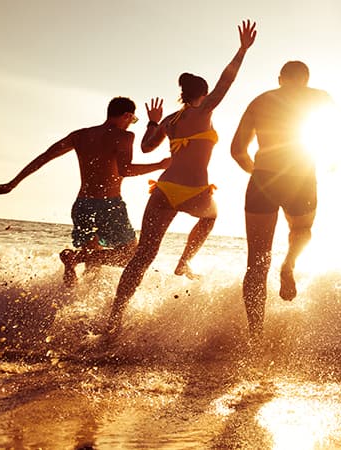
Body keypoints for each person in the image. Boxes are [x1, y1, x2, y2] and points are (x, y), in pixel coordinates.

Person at [107, 20, 256, 334]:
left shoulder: (171, 121)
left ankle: (115, 315)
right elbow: (225, 83)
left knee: (144, 255)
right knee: (211, 217)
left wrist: (151, 122)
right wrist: (241, 50)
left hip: (164, 190)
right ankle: (184, 260)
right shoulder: (203, 112)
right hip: (194, 190)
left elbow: (147, 148)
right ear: (202, 94)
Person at [0, 97, 170, 286]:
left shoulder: (80, 135)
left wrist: (13, 183)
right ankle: (74, 258)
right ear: (127, 115)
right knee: (130, 256)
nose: (131, 125)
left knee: (93, 263)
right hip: (108, 206)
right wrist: (160, 165)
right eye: (133, 120)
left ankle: (80, 306)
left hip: (82, 205)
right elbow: (125, 170)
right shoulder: (124, 136)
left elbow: (45, 157)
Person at [231, 60, 334, 338]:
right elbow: (335, 136)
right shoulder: (320, 97)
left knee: (256, 262)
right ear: (306, 79)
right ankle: (289, 263)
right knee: (301, 229)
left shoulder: (260, 101)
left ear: (280, 79)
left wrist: (258, 172)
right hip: (301, 177)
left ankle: (255, 334)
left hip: (263, 178)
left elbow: (237, 150)